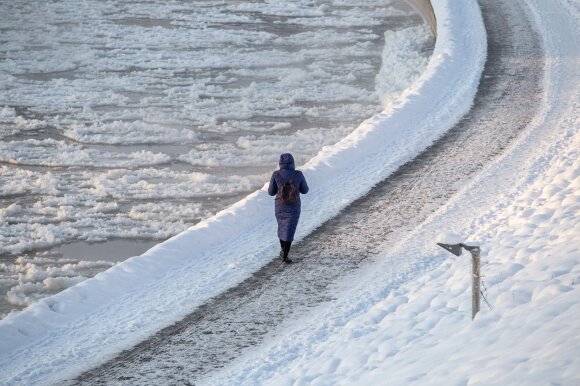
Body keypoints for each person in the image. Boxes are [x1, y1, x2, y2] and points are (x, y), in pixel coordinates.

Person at [268, 153, 309, 263]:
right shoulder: (298, 174)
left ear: (280, 163)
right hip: (294, 206)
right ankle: (285, 255)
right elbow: (305, 190)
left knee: (282, 227)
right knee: (290, 229)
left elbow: (270, 192)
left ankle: (283, 250)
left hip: (279, 206)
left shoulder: (276, 174)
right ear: (293, 163)